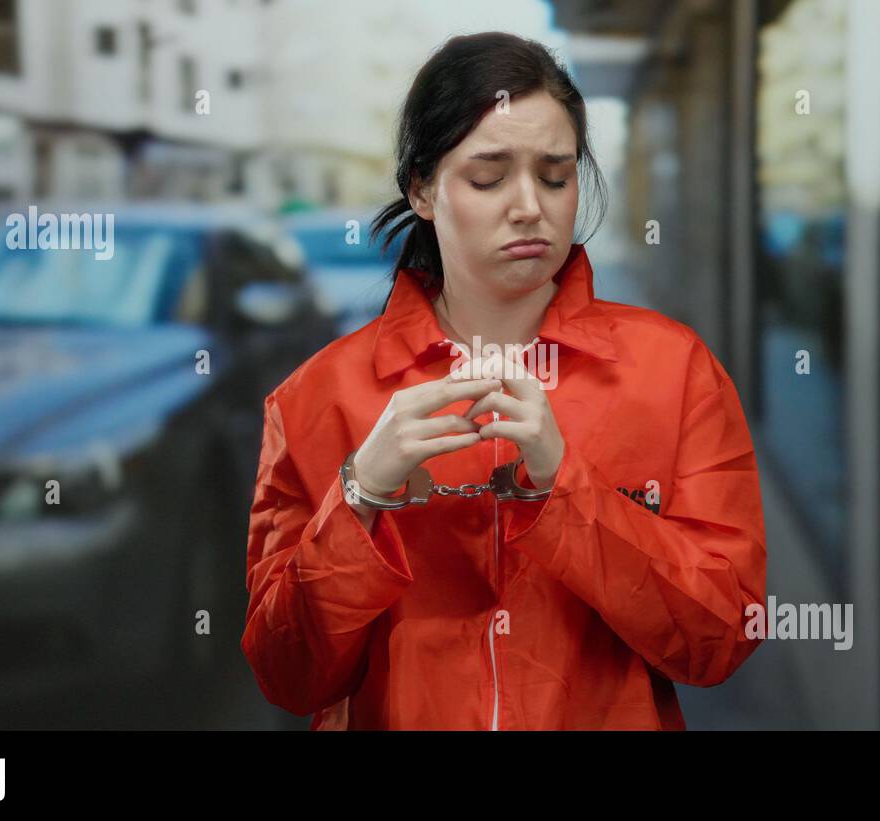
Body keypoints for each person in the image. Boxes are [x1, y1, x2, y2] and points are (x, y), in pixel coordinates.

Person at [241, 31, 766, 730]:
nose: (530, 206)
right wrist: (359, 495)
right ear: (423, 189)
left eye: (555, 175)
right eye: (489, 177)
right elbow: (288, 674)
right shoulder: (319, 397)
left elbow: (722, 636)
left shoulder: (672, 372)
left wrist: (566, 487)